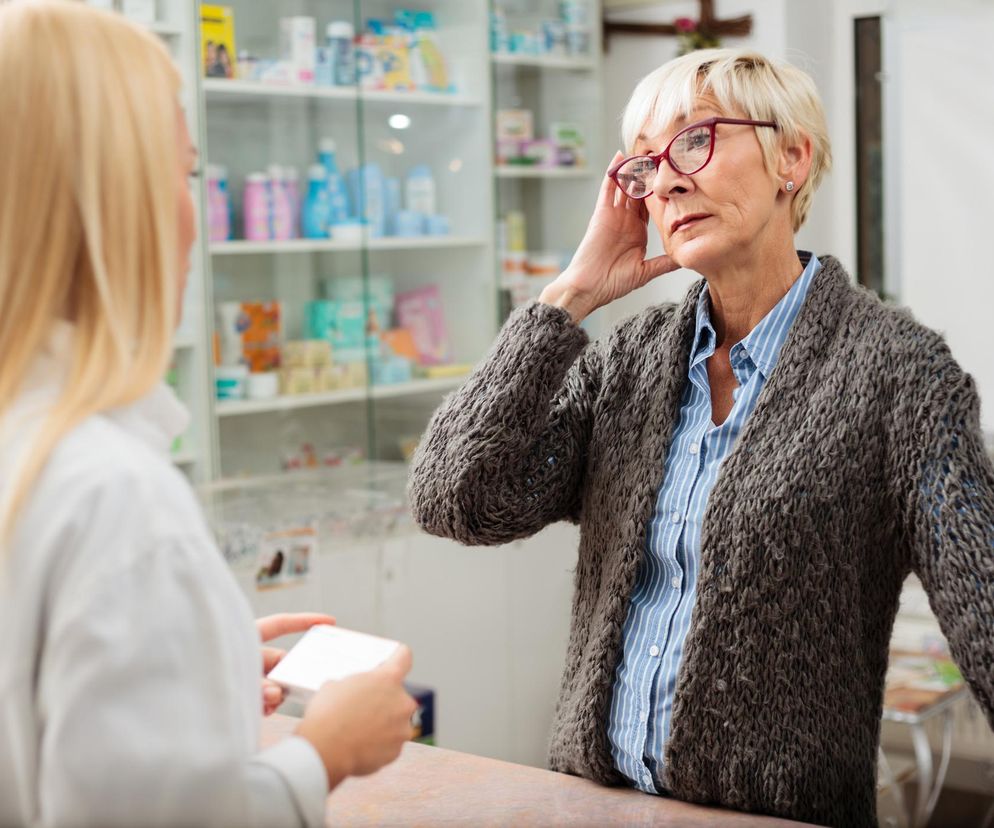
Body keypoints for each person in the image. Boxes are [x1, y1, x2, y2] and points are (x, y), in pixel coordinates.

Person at [409, 48, 994, 828]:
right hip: (594, 805)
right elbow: (455, 497)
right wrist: (569, 297)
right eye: (646, 164)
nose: (668, 179)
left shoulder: (901, 376)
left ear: (792, 155)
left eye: (695, 140)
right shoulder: (629, 361)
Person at [0, 3, 416, 826]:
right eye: (184, 175)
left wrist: (190, 654)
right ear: (115, 204)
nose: (193, 217)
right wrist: (323, 751)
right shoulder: (116, 500)